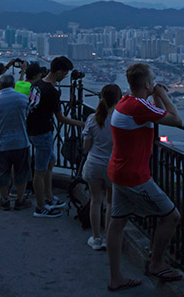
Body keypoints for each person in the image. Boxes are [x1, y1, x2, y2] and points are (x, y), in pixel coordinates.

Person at [106, 63, 183, 291]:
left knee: (116, 224)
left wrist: (155, 97)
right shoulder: (138, 107)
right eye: (152, 80)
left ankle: (115, 277)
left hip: (118, 172)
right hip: (135, 177)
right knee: (171, 216)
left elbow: (157, 116)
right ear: (147, 84)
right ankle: (156, 263)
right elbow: (176, 120)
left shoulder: (126, 102)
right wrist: (162, 94)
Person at [26, 56, 84, 218]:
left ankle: (49, 197)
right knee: (40, 169)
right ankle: (41, 206)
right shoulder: (51, 91)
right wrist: (83, 125)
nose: (65, 76)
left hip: (33, 130)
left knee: (50, 161)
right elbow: (61, 118)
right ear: (59, 71)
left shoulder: (38, 84)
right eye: (64, 73)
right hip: (42, 132)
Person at [82, 84, 121, 250]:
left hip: (94, 164)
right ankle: (108, 239)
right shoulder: (120, 120)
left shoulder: (93, 118)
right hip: (112, 166)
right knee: (111, 203)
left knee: (95, 201)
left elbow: (86, 146)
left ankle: (96, 238)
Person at [0, 74, 32, 211]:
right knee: (21, 173)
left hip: (2, 143)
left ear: (0, 86)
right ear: (13, 85)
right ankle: (20, 200)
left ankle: (4, 200)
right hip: (21, 142)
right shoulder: (23, 98)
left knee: (3, 173)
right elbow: (28, 114)